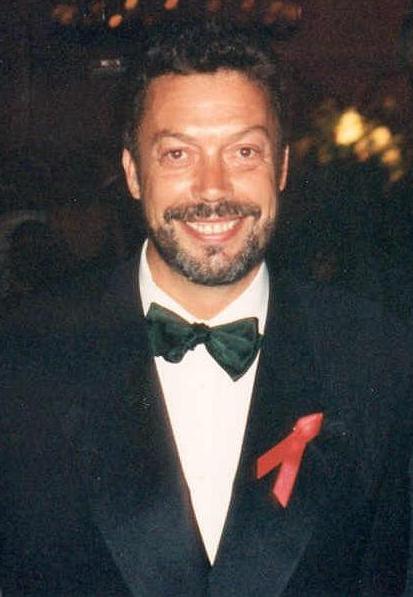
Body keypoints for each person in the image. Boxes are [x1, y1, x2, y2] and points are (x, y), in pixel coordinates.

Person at [0, 18, 411, 596]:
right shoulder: (22, 361)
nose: (213, 188)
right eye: (177, 154)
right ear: (133, 173)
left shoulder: (381, 359)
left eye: (243, 151)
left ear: (281, 167)